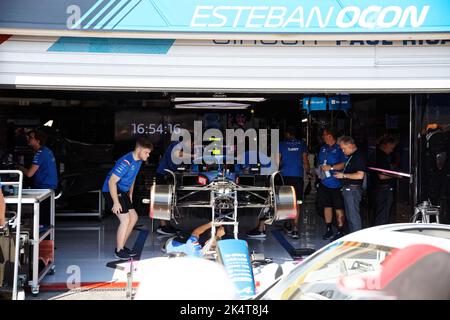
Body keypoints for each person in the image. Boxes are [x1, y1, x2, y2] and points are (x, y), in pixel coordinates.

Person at [246, 127, 310, 239]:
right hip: (298, 176)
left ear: (287, 133)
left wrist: (272, 172)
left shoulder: (281, 144)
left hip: (284, 176)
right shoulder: (302, 144)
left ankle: (281, 224)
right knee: (297, 202)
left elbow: (277, 162)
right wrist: (308, 172)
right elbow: (305, 161)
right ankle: (295, 229)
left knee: (284, 201)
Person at [102, 137, 153, 260]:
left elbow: (133, 177)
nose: (148, 155)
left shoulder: (139, 161)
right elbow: (112, 182)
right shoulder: (126, 162)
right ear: (139, 150)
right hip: (111, 190)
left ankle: (122, 246)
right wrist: (115, 202)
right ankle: (119, 251)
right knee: (125, 220)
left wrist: (130, 194)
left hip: (122, 191)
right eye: (146, 152)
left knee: (134, 217)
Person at [317, 127, 347, 241]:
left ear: (330, 135)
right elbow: (320, 162)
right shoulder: (323, 148)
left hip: (336, 183)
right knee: (327, 206)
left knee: (338, 207)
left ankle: (340, 230)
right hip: (324, 182)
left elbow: (344, 164)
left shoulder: (339, 148)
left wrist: (331, 167)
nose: (323, 137)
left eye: (324, 135)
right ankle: (329, 229)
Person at [334, 136, 366, 235]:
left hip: (353, 190)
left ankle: (357, 240)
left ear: (351, 145)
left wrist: (343, 175)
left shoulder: (358, 157)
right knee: (350, 217)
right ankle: (352, 237)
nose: (343, 151)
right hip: (348, 189)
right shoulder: (351, 156)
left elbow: (360, 175)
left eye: (344, 148)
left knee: (353, 217)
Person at [155, 140, 183, 235]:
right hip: (162, 175)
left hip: (167, 175)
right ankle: (162, 226)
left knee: (168, 201)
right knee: (161, 200)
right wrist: (193, 155)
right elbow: (177, 154)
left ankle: (167, 225)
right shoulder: (176, 145)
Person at [373, 135, 398, 226]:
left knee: (381, 212)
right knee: (383, 213)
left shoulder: (376, 153)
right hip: (383, 188)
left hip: (377, 187)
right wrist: (396, 175)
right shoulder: (381, 157)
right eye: (392, 147)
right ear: (387, 144)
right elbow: (382, 176)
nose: (392, 150)